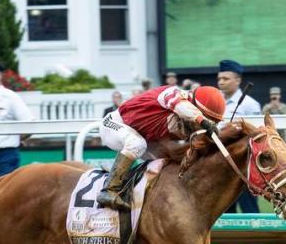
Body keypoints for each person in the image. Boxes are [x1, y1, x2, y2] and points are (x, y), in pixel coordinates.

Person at [97, 84, 226, 210]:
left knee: (163, 160)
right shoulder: (174, 94)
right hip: (112, 124)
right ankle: (108, 189)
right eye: (209, 120)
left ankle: (129, 182)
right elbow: (183, 107)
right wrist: (203, 121)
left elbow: (170, 149)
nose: (203, 127)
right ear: (196, 107)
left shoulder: (181, 123)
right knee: (137, 144)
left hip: (140, 135)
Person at [216, 59, 261, 216]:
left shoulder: (250, 104)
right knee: (225, 211)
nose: (221, 82)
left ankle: (256, 241)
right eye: (219, 79)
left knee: (250, 211)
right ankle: (228, 242)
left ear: (238, 80)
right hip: (220, 165)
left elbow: (257, 136)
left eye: (225, 79)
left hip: (243, 166)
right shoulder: (215, 102)